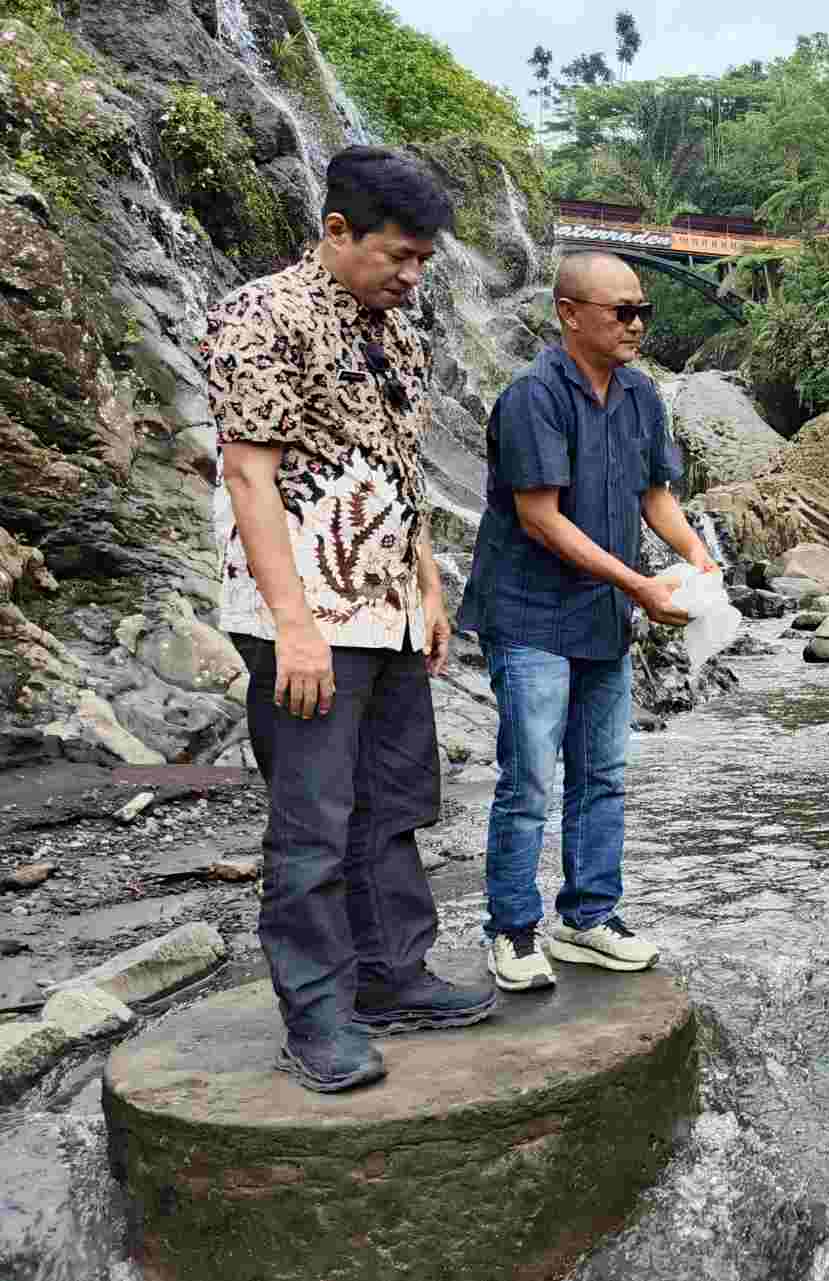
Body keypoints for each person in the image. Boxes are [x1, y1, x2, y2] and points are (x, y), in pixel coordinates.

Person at [210, 146, 495, 1094]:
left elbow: (398, 471)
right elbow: (250, 475)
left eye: (424, 261)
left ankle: (391, 974)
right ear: (337, 232)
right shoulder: (263, 316)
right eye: (399, 256)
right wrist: (294, 627)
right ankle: (318, 1013)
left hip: (387, 612)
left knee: (395, 806)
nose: (414, 277)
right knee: (312, 825)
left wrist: (425, 585)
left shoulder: (399, 334)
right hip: (304, 617)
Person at [456, 251, 718, 992]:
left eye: (643, 311)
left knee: (602, 773)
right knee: (531, 777)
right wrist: (640, 584)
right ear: (569, 314)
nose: (636, 324)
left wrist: (697, 554)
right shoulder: (533, 396)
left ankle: (589, 916)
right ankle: (511, 930)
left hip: (603, 615)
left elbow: (652, 494)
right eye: (621, 312)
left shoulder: (641, 395)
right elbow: (539, 519)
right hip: (532, 613)